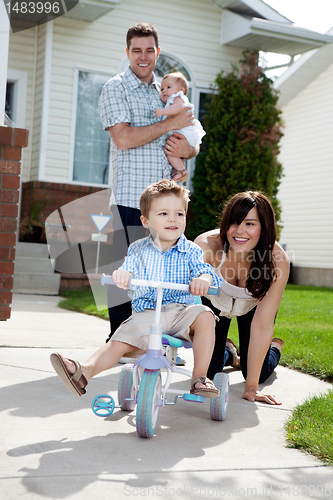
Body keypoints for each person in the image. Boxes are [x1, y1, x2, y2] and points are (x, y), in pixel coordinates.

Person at [50, 180, 221, 398]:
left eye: (179, 214)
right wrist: (123, 275)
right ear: (145, 220)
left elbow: (204, 271)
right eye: (163, 214)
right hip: (147, 315)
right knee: (117, 341)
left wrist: (204, 279)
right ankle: (84, 372)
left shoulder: (191, 251)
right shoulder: (138, 249)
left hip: (181, 313)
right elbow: (127, 268)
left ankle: (199, 378)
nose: (172, 219)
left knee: (205, 315)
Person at [98, 22, 200, 341]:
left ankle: (157, 342)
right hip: (132, 198)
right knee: (124, 277)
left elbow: (191, 138)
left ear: (157, 52)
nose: (143, 56)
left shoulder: (168, 91)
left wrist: (189, 149)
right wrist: (170, 123)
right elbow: (124, 138)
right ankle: (120, 341)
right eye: (136, 50)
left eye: (149, 50)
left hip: (167, 204)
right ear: (127, 52)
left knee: (164, 276)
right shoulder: (116, 87)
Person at [194, 191, 290, 405]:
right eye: (234, 222)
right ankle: (228, 350)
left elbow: (262, 326)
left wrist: (252, 388)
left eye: (249, 224)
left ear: (264, 227)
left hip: (251, 307)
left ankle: (274, 347)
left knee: (257, 373)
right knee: (210, 371)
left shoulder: (277, 260)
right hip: (215, 304)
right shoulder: (206, 247)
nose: (239, 231)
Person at [154, 72, 205, 183]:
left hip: (184, 132)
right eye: (162, 89)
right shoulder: (173, 98)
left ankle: (181, 171)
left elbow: (178, 107)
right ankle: (181, 171)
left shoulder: (177, 98)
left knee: (169, 151)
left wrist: (163, 111)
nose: (164, 91)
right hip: (184, 133)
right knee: (175, 152)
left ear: (181, 90)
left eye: (168, 87)